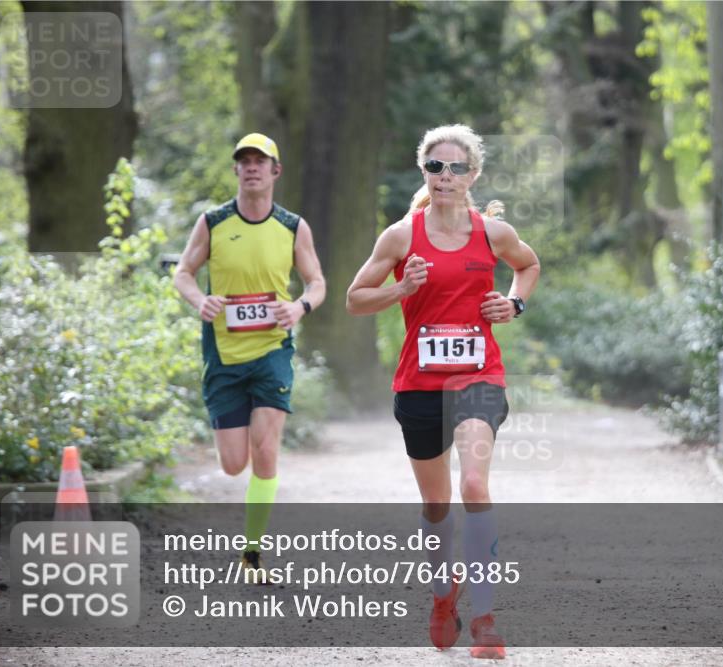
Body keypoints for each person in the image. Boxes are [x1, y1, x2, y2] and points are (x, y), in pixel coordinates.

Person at [346, 124, 540, 659]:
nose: (445, 176)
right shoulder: (400, 236)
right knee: (436, 504)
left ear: (472, 175)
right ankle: (442, 593)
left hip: (479, 377)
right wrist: (402, 288)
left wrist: (514, 303)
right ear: (424, 172)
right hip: (419, 383)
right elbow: (355, 299)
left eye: (456, 168)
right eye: (435, 167)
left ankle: (484, 618)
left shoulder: (493, 233)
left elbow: (528, 266)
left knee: (474, 485)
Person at [173, 132, 326, 579]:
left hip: (271, 351)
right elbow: (183, 272)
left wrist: (299, 307)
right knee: (233, 463)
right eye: (245, 161)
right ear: (236, 170)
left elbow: (317, 282)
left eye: (261, 161)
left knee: (265, 449)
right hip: (223, 354)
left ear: (276, 171)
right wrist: (199, 300)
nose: (253, 167)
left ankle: (252, 552)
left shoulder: (293, 226)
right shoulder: (213, 222)